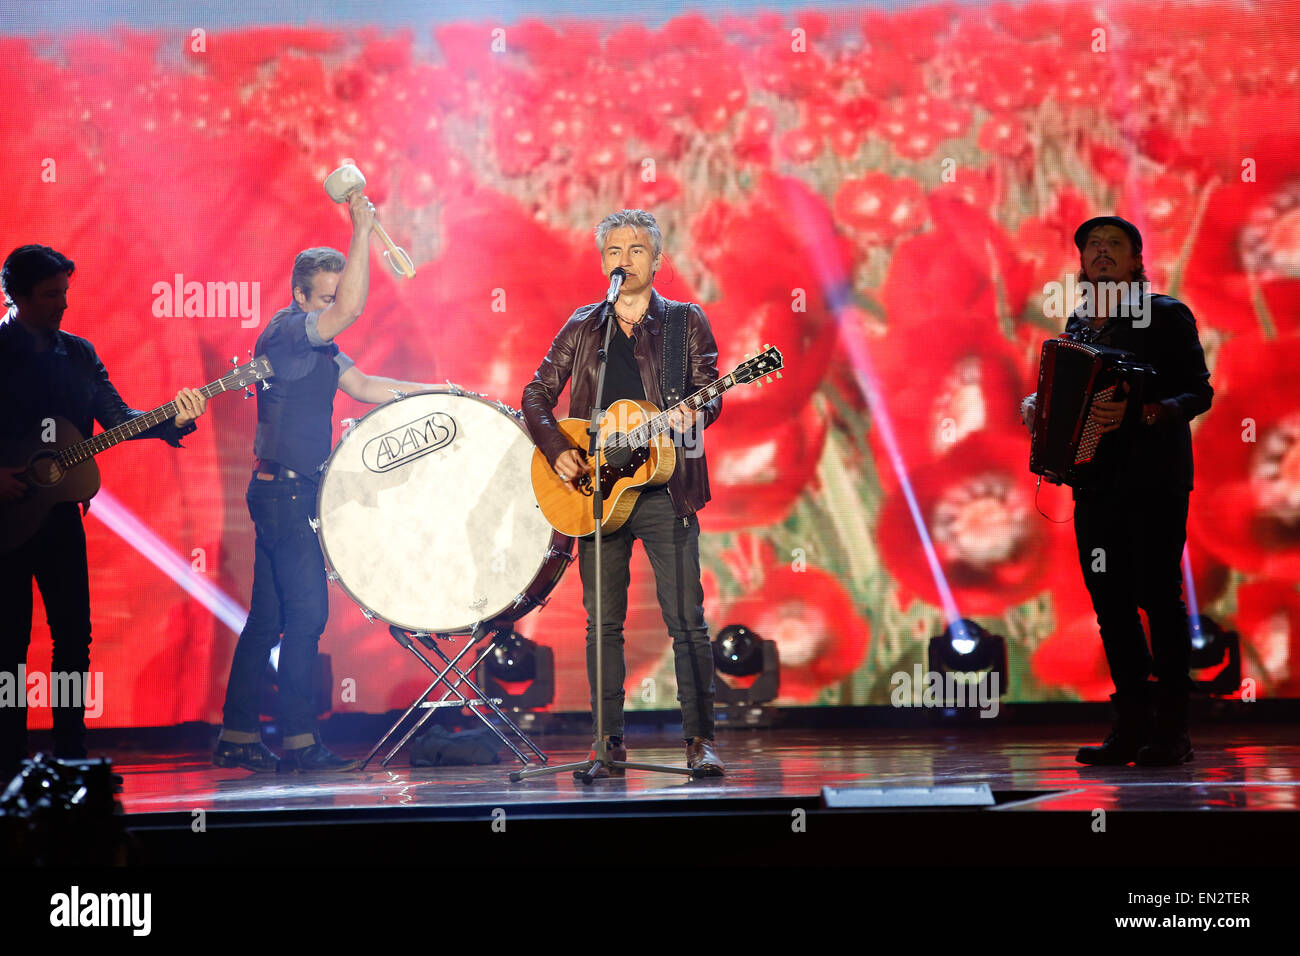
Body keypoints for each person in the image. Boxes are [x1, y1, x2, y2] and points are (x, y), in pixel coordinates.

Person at [214, 191, 437, 773]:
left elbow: (363, 386)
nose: (337, 305)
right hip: (284, 495)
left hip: (282, 493)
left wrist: (434, 393)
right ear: (300, 298)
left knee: (267, 620)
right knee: (306, 618)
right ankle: (298, 743)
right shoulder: (290, 332)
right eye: (327, 297)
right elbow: (351, 312)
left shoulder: (319, 346)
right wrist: (362, 232)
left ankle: (236, 737)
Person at [522, 209, 726, 777]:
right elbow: (536, 393)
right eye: (615, 250)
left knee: (686, 619)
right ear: (602, 260)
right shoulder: (586, 326)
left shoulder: (686, 322)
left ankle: (699, 741)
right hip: (596, 492)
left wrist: (692, 413)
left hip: (666, 489)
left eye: (637, 249)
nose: (624, 259)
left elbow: (711, 393)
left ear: (657, 261)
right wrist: (556, 448)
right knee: (601, 623)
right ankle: (606, 742)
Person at [0, 244, 207, 778]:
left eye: (65, 293)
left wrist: (172, 421)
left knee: (73, 636)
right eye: (50, 295)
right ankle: (7, 762)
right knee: (8, 645)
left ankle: (70, 754)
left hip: (61, 516)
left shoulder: (79, 353)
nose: (62, 305)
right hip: (4, 521)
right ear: (16, 297)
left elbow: (117, 417)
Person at [1021, 216, 1213, 766]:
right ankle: (1129, 725)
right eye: (1092, 246)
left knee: (1158, 597)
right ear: (1082, 262)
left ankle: (1171, 731)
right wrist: (1041, 409)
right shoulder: (1080, 322)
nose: (1101, 253)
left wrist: (1143, 412)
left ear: (1136, 260)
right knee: (1110, 605)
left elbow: (1198, 393)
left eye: (1115, 245)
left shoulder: (1167, 315)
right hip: (1097, 482)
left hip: (1155, 482)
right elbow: (1067, 391)